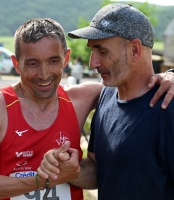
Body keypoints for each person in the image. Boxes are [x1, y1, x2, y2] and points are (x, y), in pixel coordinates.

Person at [0, 18, 174, 200]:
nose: (44, 74)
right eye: (33, 64)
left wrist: (170, 75)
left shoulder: (88, 97)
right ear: (16, 64)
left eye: (53, 61)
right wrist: (42, 180)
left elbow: (131, 83)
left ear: (66, 58)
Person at [37, 4, 174, 200]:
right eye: (92, 51)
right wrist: (71, 170)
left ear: (134, 50)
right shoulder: (107, 96)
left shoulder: (168, 108)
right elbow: (98, 171)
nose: (93, 63)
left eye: (102, 51)